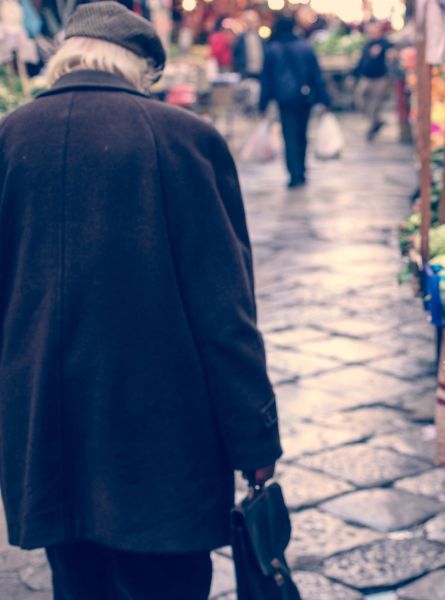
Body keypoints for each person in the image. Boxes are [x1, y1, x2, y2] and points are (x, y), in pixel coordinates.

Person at [0, 3, 282, 599]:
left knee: (75, 583)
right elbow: (225, 312)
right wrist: (254, 440)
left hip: (43, 431)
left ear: (63, 60)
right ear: (143, 71)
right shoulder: (185, 140)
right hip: (158, 441)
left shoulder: (10, 137)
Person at [259, 14, 332, 188]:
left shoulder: (272, 48)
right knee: (302, 134)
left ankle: (294, 173)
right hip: (304, 97)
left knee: (289, 135)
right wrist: (324, 99)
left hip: (284, 99)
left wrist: (263, 103)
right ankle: (301, 170)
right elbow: (316, 75)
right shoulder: (305, 46)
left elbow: (266, 79)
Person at [354, 20, 393, 140]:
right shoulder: (367, 44)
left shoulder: (385, 43)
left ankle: (371, 128)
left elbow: (392, 51)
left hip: (379, 78)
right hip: (366, 77)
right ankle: (377, 122)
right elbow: (362, 60)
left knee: (375, 105)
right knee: (360, 99)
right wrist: (355, 73)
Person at [233, 10, 264, 79]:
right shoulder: (240, 38)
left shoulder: (261, 38)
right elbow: (236, 55)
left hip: (260, 73)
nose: (252, 24)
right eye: (249, 22)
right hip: (245, 74)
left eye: (254, 21)